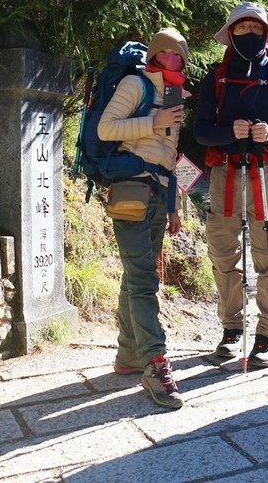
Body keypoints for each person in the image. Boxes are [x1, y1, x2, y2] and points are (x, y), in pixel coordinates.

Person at [194, 2, 268, 368]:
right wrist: (230, 133)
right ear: (230, 34)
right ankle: (232, 330)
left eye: (255, 29)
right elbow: (201, 131)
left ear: (265, 33)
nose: (249, 35)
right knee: (224, 254)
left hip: (266, 172)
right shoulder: (216, 78)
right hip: (225, 172)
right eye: (241, 29)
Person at [97, 27, 188, 410]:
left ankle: (128, 353)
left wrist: (174, 205)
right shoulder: (135, 84)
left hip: (156, 194)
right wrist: (152, 122)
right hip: (131, 188)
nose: (174, 60)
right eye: (167, 54)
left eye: (180, 56)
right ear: (154, 55)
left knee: (137, 273)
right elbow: (106, 128)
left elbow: (170, 155)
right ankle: (154, 362)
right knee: (144, 277)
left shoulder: (175, 95)